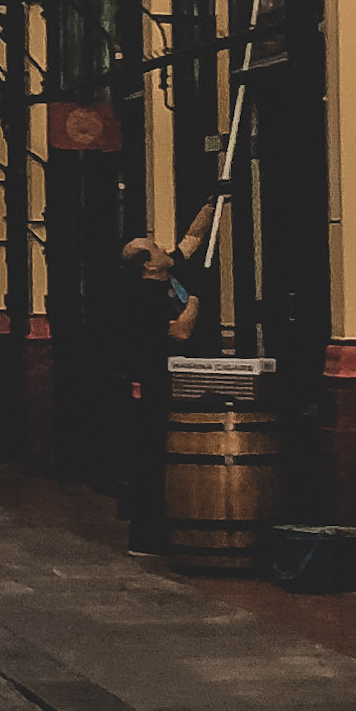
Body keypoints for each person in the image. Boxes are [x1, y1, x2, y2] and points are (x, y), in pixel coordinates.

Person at [116, 200, 219, 554]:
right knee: (150, 458)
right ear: (147, 266)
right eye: (155, 249)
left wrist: (212, 202)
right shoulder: (143, 297)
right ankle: (145, 537)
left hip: (171, 380)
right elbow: (180, 333)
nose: (162, 248)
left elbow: (193, 237)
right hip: (151, 385)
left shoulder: (169, 272)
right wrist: (195, 302)